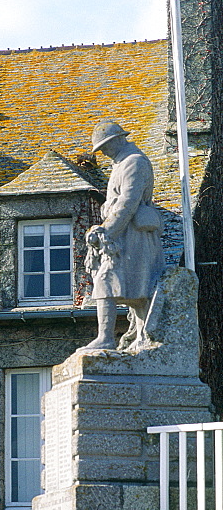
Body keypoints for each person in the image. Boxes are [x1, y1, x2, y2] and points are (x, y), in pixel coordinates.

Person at [82, 119, 164, 351]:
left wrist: (106, 230)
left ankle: (107, 337)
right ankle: (140, 336)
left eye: (105, 146)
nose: (104, 152)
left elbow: (128, 203)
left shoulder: (134, 162)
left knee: (113, 283)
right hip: (124, 234)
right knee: (130, 289)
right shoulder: (121, 163)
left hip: (131, 235)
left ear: (118, 140)